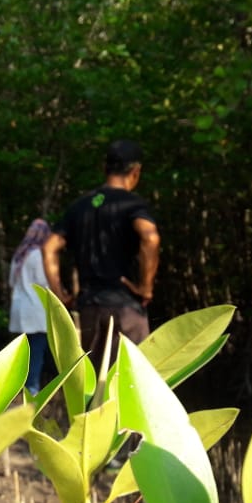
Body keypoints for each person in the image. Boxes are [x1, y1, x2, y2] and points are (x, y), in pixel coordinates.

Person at [43, 139, 160, 365]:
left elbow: (49, 248)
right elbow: (150, 237)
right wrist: (146, 286)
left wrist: (59, 294)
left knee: (93, 386)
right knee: (131, 383)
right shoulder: (132, 204)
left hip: (89, 308)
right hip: (125, 306)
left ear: (104, 168)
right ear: (136, 171)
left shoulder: (79, 206)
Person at [9, 218, 52, 396]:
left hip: (19, 309)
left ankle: (20, 386)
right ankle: (32, 389)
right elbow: (43, 282)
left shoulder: (19, 255)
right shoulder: (37, 255)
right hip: (36, 309)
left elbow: (11, 281)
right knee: (37, 350)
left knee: (24, 352)